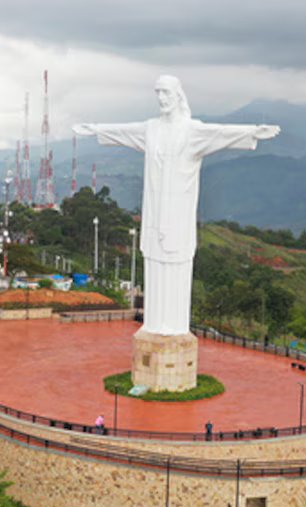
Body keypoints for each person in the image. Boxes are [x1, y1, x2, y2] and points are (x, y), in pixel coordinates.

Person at [74, 76, 280, 337]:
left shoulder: (192, 131)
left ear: (178, 96)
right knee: (154, 263)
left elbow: (221, 133)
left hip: (179, 215)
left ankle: (176, 328)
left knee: (177, 266)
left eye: (166, 93)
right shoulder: (151, 129)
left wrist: (252, 132)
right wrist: (95, 129)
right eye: (157, 93)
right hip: (155, 212)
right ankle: (153, 325)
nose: (161, 99)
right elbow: (124, 131)